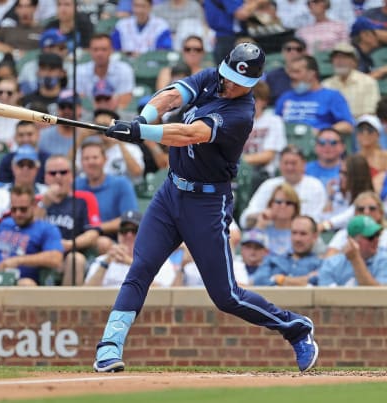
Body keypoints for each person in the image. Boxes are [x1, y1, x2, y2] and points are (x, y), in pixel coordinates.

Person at [92, 42, 318, 373]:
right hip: (171, 193)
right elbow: (171, 96)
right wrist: (141, 119)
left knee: (226, 296)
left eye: (237, 81)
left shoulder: (240, 113)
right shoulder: (212, 78)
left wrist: (142, 132)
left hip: (207, 203)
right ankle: (109, 346)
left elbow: (188, 134)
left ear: (253, 83)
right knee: (140, 268)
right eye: (227, 76)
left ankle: (295, 328)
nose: (228, 84)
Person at [0, 185, 64, 286]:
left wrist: (19, 260)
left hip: (20, 282)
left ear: (33, 206)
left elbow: (55, 258)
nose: (18, 214)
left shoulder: (46, 229)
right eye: (14, 210)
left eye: (23, 209)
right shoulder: (5, 224)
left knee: (26, 284)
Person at [41, 155, 100, 285]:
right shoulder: (38, 201)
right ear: (45, 177)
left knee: (75, 259)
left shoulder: (84, 198)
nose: (58, 177)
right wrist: (44, 204)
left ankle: (69, 306)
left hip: (71, 254)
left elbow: (93, 233)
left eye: (63, 172)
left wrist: (69, 244)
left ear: (72, 175)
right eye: (52, 173)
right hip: (42, 255)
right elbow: (28, 231)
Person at [240, 145, 327, 229]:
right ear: (280, 164)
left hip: (301, 237)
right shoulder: (269, 185)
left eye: (293, 163)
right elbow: (244, 219)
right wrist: (264, 215)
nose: (289, 167)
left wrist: (286, 218)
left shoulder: (315, 186)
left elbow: (318, 220)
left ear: (303, 164)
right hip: (270, 235)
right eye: (286, 163)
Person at [84, 210, 176, 287]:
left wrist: (130, 263)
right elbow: (85, 296)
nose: (129, 235)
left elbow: (164, 295)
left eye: (135, 230)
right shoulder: (102, 261)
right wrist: (105, 263)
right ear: (118, 234)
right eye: (124, 231)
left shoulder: (160, 262)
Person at [275, 55, 355, 136]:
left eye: (297, 72)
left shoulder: (332, 96)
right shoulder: (285, 97)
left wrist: (322, 132)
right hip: (286, 142)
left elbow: (347, 125)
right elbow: (274, 123)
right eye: (291, 72)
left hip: (317, 144)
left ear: (311, 74)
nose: (292, 76)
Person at [252, 215, 322, 286]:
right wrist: (305, 280)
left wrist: (280, 279)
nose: (297, 239)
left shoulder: (321, 264)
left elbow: (321, 281)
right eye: (294, 233)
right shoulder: (273, 261)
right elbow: (259, 281)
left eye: (303, 234)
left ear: (314, 237)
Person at [318, 215, 387, 285]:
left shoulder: (384, 260)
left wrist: (356, 260)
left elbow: (380, 294)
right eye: (370, 237)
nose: (376, 240)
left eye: (377, 234)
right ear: (352, 240)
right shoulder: (332, 264)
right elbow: (325, 294)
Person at [75, 33, 135, 111]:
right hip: (87, 117)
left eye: (104, 49)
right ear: (89, 51)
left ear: (111, 50)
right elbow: (79, 100)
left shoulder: (125, 69)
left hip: (116, 115)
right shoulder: (80, 71)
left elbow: (125, 101)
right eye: (95, 49)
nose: (99, 54)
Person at [242, 81, 287, 183]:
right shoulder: (236, 121)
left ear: (264, 101)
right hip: (239, 173)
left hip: (264, 175)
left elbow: (268, 156)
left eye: (254, 99)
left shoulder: (273, 121)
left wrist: (239, 162)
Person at [322, 42, 380, 118]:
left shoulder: (368, 82)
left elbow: (370, 113)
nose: (339, 61)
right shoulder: (325, 85)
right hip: (333, 127)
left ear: (354, 62)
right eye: (336, 58)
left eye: (344, 57)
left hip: (360, 127)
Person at [326, 191, 387, 257]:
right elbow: (329, 259)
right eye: (361, 209)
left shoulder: (385, 235)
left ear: (381, 212)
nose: (366, 212)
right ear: (355, 213)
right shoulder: (343, 234)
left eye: (372, 208)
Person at [253, 183, 301, 256]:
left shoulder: (302, 232)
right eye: (278, 202)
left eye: (288, 203)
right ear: (270, 204)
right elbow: (250, 252)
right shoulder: (262, 229)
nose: (283, 205)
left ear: (296, 208)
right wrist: (260, 225)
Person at [264, 36, 308, 105]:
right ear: (282, 52)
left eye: (298, 49)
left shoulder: (310, 74)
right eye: (288, 49)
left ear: (305, 52)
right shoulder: (272, 75)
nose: (293, 52)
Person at [38, 89, 82, 156]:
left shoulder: (86, 135)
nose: (66, 111)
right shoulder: (43, 136)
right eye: (62, 107)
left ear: (79, 109)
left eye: (71, 106)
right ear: (58, 109)